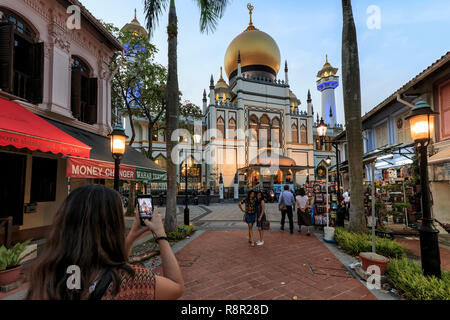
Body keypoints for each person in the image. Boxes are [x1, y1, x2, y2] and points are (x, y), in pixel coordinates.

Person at [26, 185, 184, 300]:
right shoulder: (130, 281)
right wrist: (161, 235)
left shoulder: (48, 276)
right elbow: (176, 287)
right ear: (113, 227)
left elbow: (113, 262)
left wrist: (131, 237)